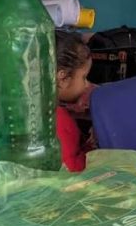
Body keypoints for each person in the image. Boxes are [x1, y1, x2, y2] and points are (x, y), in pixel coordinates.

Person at [55, 30, 94, 172]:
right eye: (84, 77)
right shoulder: (57, 120)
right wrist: (93, 149)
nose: (87, 84)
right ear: (62, 77)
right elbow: (69, 170)